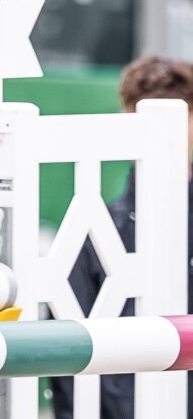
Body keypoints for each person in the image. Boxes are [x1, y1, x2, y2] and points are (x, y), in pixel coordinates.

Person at [50, 56, 193, 419]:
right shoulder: (93, 230)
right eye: (138, 118)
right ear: (124, 122)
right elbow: (67, 348)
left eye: (181, 115)